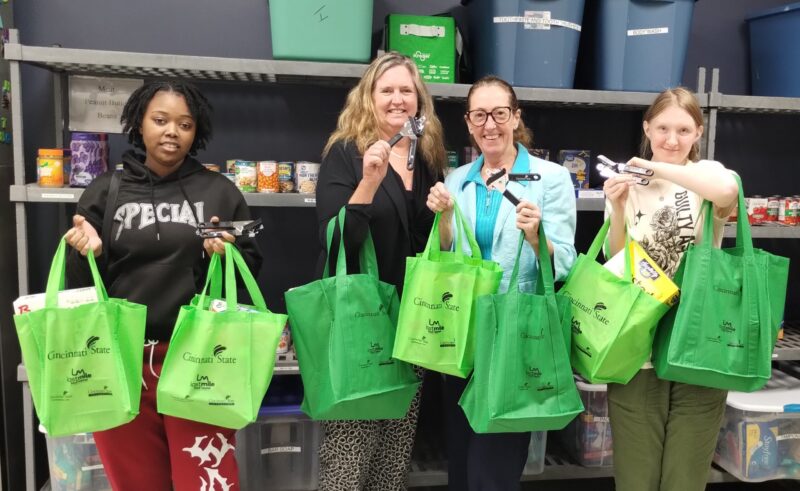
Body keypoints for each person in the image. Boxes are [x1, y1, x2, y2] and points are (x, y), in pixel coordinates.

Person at [65, 80, 261, 491]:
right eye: (161, 120)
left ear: (197, 131)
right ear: (140, 122)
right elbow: (81, 289)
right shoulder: (104, 192)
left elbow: (246, 278)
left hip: (200, 360)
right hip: (122, 363)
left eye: (184, 124)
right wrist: (90, 254)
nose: (172, 131)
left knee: (207, 484)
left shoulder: (220, 193)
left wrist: (220, 258)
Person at [426, 75, 577, 490]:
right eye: (479, 115)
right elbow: (448, 255)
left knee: (492, 473)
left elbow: (565, 262)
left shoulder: (551, 179)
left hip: (514, 336)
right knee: (460, 463)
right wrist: (441, 219)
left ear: (516, 117)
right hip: (463, 336)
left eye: (499, 113)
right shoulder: (457, 180)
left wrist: (537, 236)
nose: (489, 124)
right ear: (468, 122)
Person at [314, 52, 447, 490]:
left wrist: (443, 216)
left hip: (412, 323)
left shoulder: (426, 158)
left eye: (406, 90)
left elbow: (431, 243)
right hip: (360, 322)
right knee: (348, 460)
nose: (397, 99)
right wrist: (369, 181)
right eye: (386, 90)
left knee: (393, 459)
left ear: (418, 99)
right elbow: (336, 239)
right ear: (368, 97)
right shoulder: (346, 154)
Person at [602, 87, 739, 491]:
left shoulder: (709, 173)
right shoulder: (630, 182)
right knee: (636, 476)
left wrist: (656, 167)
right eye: (662, 128)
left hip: (698, 339)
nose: (672, 139)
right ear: (647, 127)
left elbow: (728, 193)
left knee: (685, 477)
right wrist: (617, 208)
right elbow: (617, 256)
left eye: (683, 129)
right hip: (637, 339)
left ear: (699, 132)